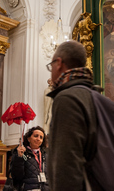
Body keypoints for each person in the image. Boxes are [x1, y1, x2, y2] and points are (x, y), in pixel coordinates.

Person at [46, 40, 98, 191]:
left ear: (59, 63)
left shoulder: (67, 98)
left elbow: (66, 164)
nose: (51, 71)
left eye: (51, 66)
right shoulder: (95, 95)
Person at [11, 126, 50, 191]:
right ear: (29, 138)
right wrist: (19, 158)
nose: (38, 139)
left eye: (41, 137)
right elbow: (17, 176)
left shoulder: (46, 154)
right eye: (36, 136)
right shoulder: (21, 152)